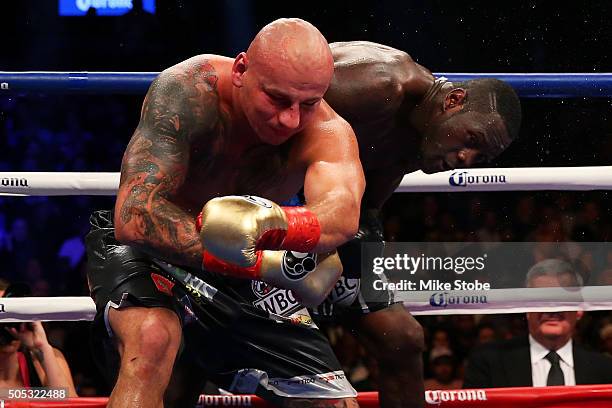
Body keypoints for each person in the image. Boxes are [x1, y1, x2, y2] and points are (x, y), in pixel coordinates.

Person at [86, 18, 364, 408]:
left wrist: (278, 223)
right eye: (278, 99)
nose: (291, 119)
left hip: (250, 261)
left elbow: (343, 213)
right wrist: (262, 265)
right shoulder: (188, 91)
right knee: (151, 339)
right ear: (240, 70)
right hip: (152, 252)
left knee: (333, 403)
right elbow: (135, 214)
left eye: (309, 103)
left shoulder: (328, 130)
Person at [299, 41, 522, 408]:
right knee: (309, 361)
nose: (466, 159)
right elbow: (271, 128)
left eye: (480, 157)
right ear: (453, 101)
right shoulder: (380, 85)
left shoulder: (421, 138)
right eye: (471, 140)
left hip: (325, 227)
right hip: (269, 213)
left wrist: (349, 253)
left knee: (403, 339)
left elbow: (367, 208)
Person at [463, 259, 612, 388]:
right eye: (542, 298)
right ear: (526, 307)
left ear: (579, 310)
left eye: (562, 300)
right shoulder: (489, 362)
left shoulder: (605, 368)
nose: (552, 309)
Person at [0, 280, 77, 397]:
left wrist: (41, 347)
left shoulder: (45, 360)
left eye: (11, 315)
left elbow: (69, 404)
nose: (6, 324)